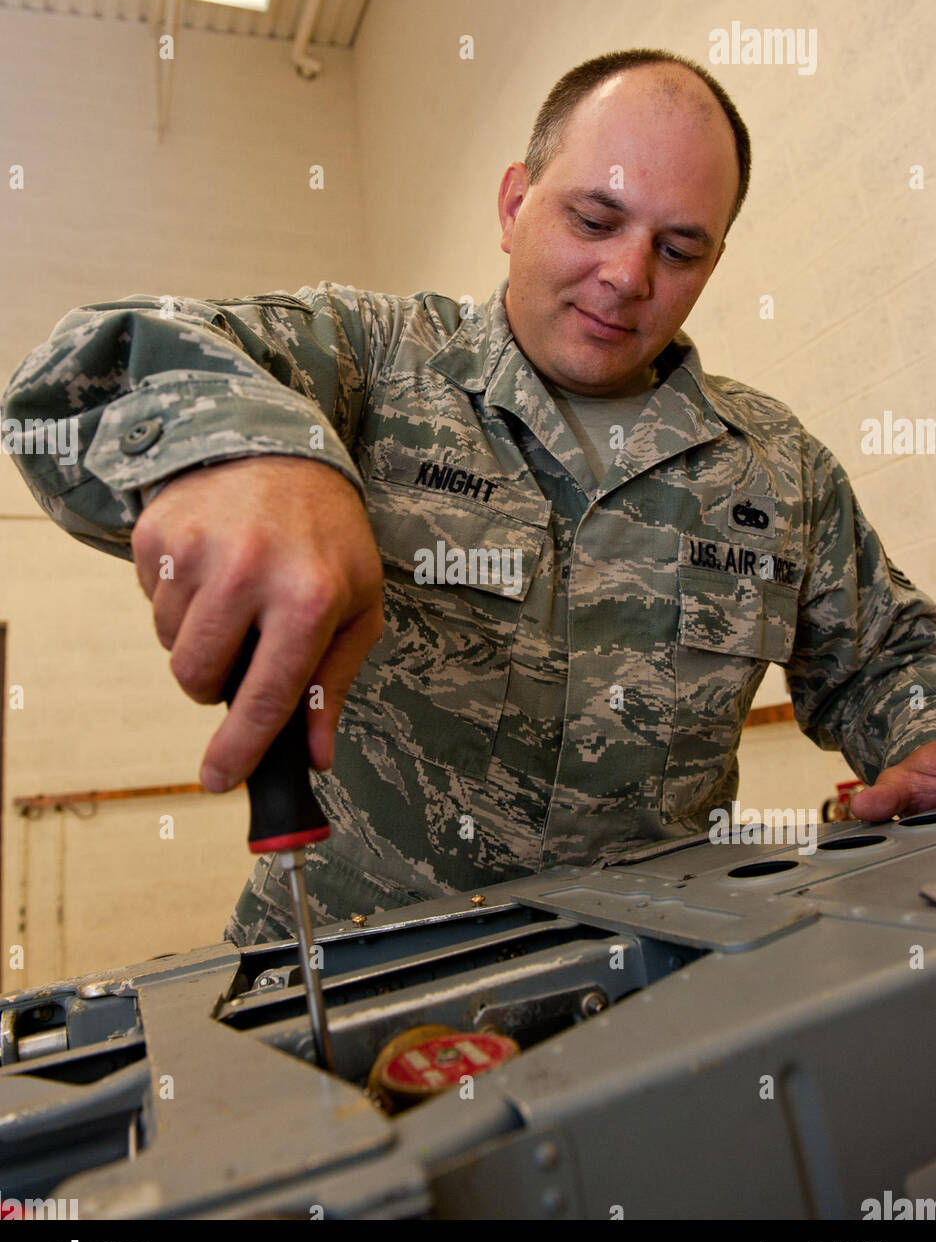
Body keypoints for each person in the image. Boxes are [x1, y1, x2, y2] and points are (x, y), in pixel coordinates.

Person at [6, 48, 936, 947]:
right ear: (513, 203)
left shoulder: (779, 468)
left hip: (656, 988)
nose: (628, 276)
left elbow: (887, 660)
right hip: (355, 967)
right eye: (595, 219)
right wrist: (251, 449)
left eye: (680, 248)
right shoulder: (372, 358)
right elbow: (73, 383)